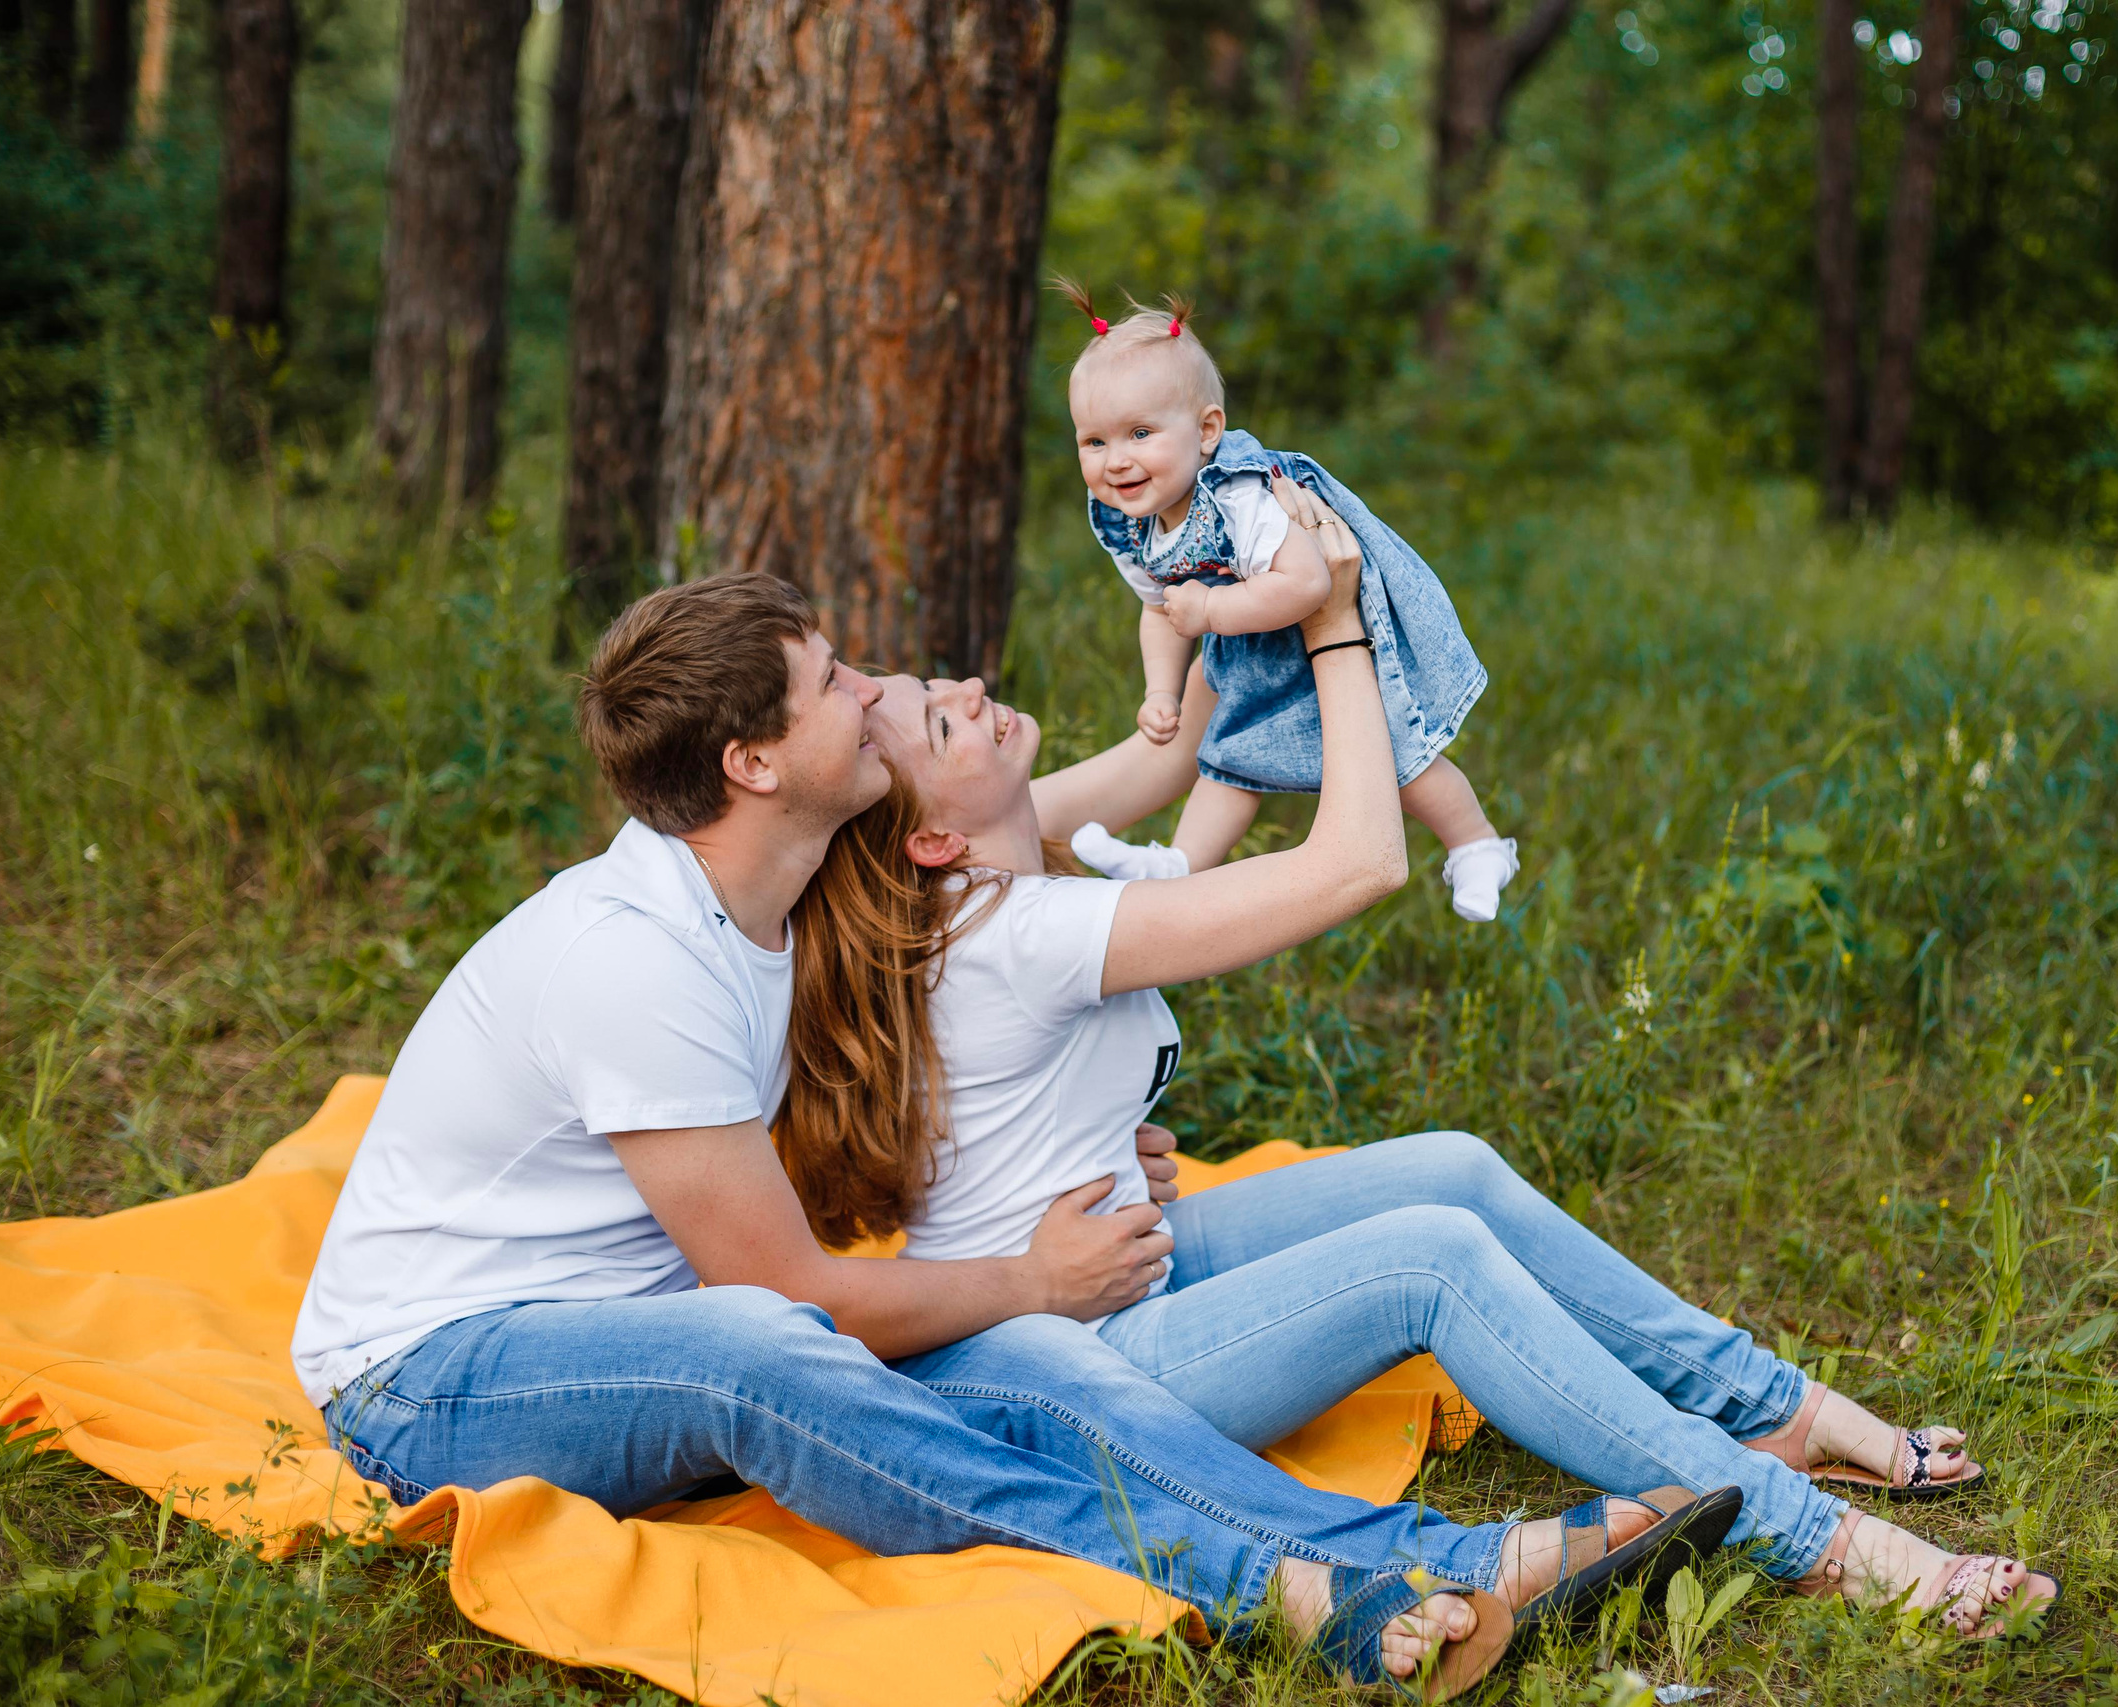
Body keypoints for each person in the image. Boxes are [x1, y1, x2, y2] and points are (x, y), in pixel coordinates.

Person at [288, 571, 1704, 1700]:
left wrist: (1225, 592)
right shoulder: (635, 960)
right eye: (833, 683)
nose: (871, 689)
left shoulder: (782, 887)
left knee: (1023, 1358)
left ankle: (1439, 1565)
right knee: (773, 1343)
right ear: (753, 761)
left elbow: (1058, 819)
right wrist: (1030, 1274)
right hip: (437, 1377)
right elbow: (786, 1293)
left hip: (648, 1338)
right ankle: (1297, 1588)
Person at [805, 474, 2062, 1643]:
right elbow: (1359, 862)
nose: (971, 685)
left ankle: (1777, 1412)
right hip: (1082, 1365)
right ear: (929, 840)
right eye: (941, 717)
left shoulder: (980, 861)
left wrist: (1232, 558)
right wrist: (1336, 627)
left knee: (1449, 1168)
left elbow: (1180, 746)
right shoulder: (1018, 926)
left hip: (1114, 1265)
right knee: (1430, 1261)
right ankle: (1817, 1540)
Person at [1049, 280, 1520, 922]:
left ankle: (1476, 845)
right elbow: (1159, 607)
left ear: (1207, 430)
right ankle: (1178, 864)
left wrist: (1210, 613)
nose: (1116, 461)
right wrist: (1162, 690)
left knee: (1400, 756)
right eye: (1094, 442)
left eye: (1139, 433)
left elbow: (1307, 583)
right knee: (1226, 759)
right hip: (1259, 646)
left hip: (1339, 635)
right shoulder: (1132, 521)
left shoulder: (1239, 497)